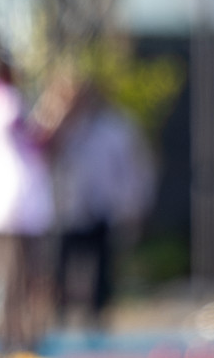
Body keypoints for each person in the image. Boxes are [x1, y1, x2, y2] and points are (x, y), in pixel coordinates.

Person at [0, 57, 53, 353]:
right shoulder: (4, 98)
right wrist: (59, 111)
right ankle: (14, 342)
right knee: (17, 276)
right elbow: (33, 137)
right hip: (16, 198)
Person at [53, 86, 154, 335]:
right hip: (71, 208)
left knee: (102, 266)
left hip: (102, 208)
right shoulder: (68, 125)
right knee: (64, 264)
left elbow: (134, 167)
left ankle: (97, 317)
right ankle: (61, 317)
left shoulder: (118, 127)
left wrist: (131, 203)